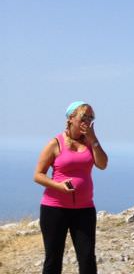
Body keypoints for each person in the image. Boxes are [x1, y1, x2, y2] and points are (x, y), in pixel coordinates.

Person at [34, 101, 108, 274]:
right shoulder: (55, 143)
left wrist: (94, 139)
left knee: (87, 257)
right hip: (54, 208)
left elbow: (103, 164)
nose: (88, 120)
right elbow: (38, 175)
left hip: (84, 209)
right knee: (53, 258)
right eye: (84, 116)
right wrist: (58, 186)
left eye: (91, 117)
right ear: (71, 118)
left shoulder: (90, 143)